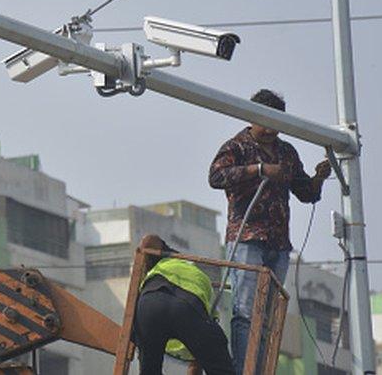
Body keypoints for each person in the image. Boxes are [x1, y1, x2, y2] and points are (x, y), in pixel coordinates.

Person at [208, 89, 331, 374]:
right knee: (245, 312)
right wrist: (259, 169)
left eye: (277, 122)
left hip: (278, 244)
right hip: (248, 238)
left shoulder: (287, 152)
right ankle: (243, 370)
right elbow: (216, 177)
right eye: (267, 121)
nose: (272, 129)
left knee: (267, 317)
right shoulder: (236, 147)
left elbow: (305, 192)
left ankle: (260, 369)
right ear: (253, 117)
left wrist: (319, 178)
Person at [133, 255, 236, 375]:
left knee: (149, 370)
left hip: (149, 304)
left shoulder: (158, 269)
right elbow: (206, 341)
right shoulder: (198, 277)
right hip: (187, 304)